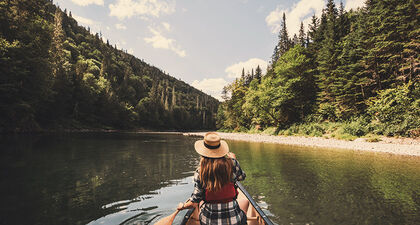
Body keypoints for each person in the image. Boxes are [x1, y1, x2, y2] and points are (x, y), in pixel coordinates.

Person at [177, 132, 247, 225]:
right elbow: (241, 177)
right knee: (244, 214)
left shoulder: (200, 171)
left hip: (208, 221)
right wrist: (234, 160)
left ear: (203, 153)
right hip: (235, 221)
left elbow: (195, 201)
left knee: (201, 205)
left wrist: (183, 206)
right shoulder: (232, 163)